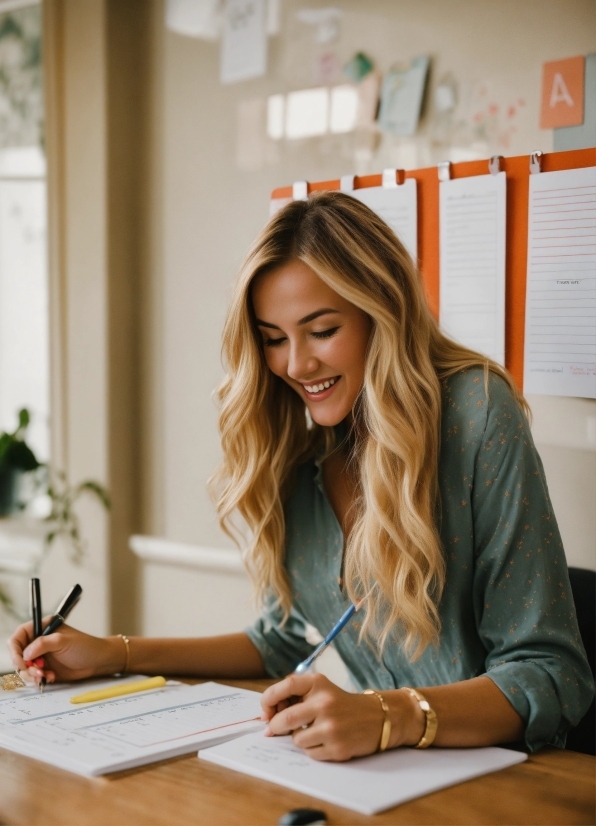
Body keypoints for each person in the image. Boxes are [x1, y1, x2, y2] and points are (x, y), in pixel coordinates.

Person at [8, 192, 593, 761]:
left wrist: (388, 716)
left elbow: (549, 672)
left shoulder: (478, 412)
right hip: (382, 779)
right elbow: (276, 640)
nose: (295, 364)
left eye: (321, 331)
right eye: (272, 339)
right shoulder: (295, 443)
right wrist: (112, 654)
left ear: (380, 312)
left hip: (509, 780)